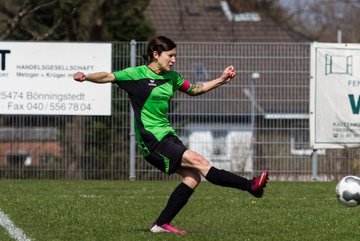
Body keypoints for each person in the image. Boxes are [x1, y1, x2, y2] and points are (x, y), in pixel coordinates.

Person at [73, 36, 268, 235]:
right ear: (156, 55)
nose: (174, 60)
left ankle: (161, 224)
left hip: (167, 136)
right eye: (170, 56)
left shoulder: (172, 77)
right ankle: (250, 186)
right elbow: (107, 76)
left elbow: (194, 89)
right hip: (151, 140)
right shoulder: (136, 74)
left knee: (192, 178)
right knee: (199, 161)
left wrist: (221, 79)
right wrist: (86, 76)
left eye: (175, 56)